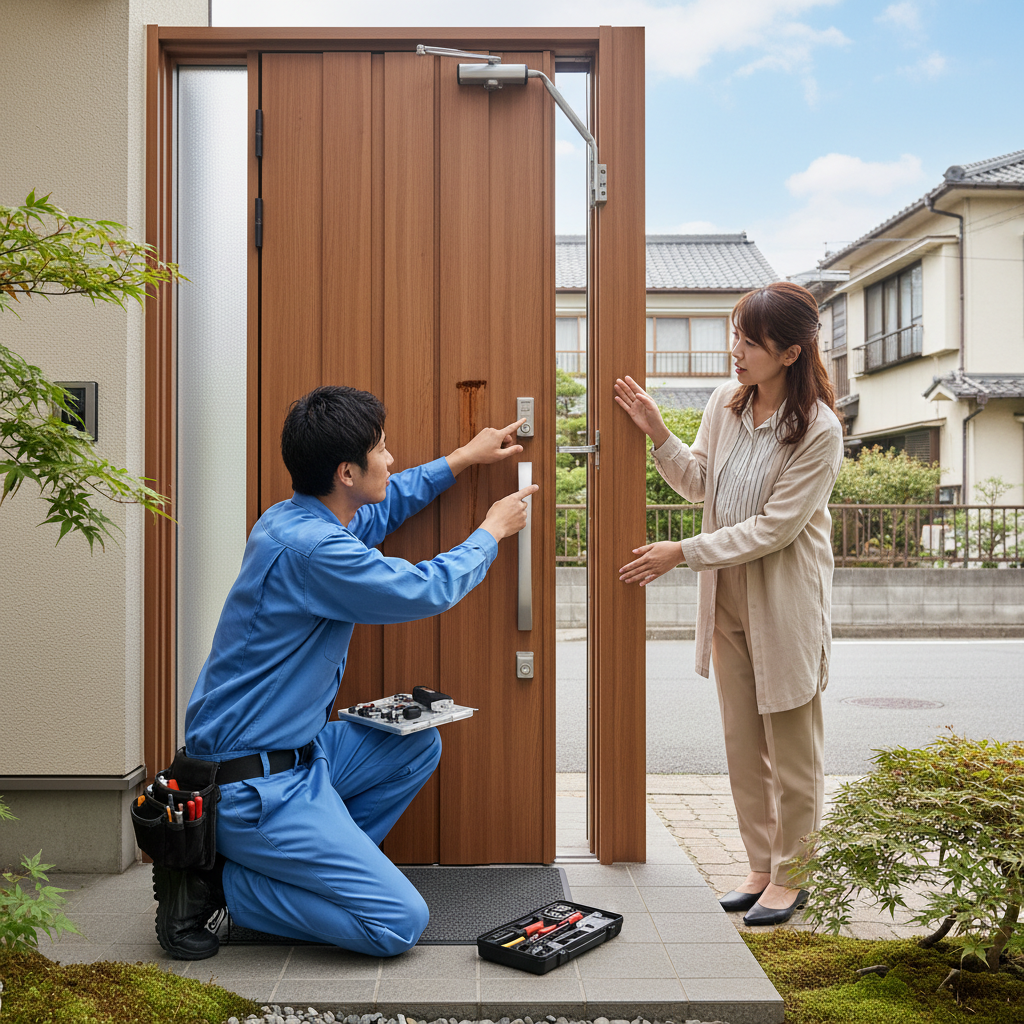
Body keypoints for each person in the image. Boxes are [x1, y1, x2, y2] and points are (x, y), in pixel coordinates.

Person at [154, 385, 537, 960]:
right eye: (380, 449)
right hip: (255, 788)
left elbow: (384, 506)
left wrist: (462, 459)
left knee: (415, 746)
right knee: (399, 923)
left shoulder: (298, 521)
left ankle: (310, 868)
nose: (391, 458)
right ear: (346, 472)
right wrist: (491, 531)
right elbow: (423, 589)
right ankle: (221, 882)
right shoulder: (315, 552)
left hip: (300, 756)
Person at [614, 281, 843, 926]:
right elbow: (698, 485)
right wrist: (658, 430)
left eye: (750, 340)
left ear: (792, 353)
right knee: (744, 740)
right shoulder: (725, 403)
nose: (735, 351)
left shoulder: (819, 430)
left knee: (792, 744)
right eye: (734, 336)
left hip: (783, 600)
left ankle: (794, 877)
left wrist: (679, 554)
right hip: (728, 597)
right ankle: (759, 865)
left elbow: (774, 527)